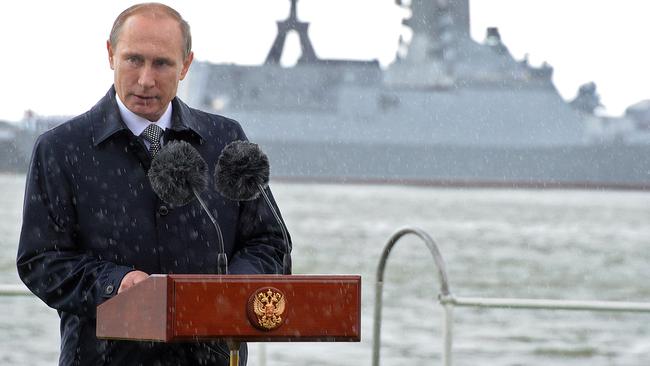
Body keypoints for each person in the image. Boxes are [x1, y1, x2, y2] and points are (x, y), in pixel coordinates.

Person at [16, 3, 290, 365]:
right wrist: (116, 284)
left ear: (186, 65)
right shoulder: (60, 148)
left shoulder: (226, 138)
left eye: (161, 64)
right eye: (133, 60)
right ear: (111, 54)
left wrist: (234, 290)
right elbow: (40, 260)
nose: (146, 79)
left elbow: (271, 242)